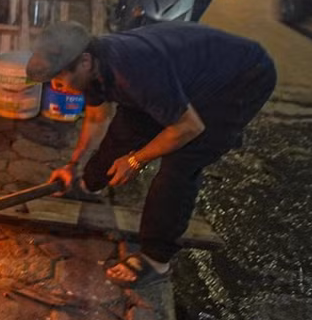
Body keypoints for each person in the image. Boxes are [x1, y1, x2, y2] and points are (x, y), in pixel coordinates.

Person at [25, 21, 276, 286]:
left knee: (180, 163)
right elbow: (98, 117)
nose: (57, 85)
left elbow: (189, 127)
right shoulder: (96, 64)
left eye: (60, 77)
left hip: (241, 78)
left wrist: (136, 160)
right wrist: (74, 165)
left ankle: (157, 260)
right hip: (179, 76)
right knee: (126, 130)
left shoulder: (133, 71)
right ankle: (89, 185)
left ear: (84, 61)